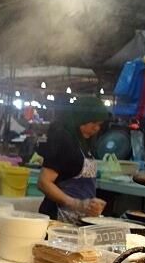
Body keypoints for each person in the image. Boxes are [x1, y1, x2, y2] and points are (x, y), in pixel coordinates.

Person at [37, 96, 110, 224]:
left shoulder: (84, 143)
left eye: (99, 125)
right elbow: (44, 182)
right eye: (94, 123)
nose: (97, 128)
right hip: (57, 219)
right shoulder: (63, 140)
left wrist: (89, 205)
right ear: (81, 119)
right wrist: (77, 204)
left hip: (79, 219)